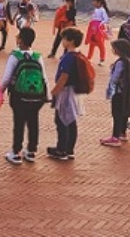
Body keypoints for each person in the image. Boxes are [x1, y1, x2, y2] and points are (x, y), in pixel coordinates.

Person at [1, 26, 47, 164]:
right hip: (36, 97)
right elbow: (44, 77)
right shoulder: (38, 56)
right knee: (33, 122)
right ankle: (31, 151)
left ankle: (16, 152)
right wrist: (46, 95)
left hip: (19, 95)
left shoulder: (15, 56)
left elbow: (6, 78)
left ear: (20, 40)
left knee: (19, 123)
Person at [48, 27, 85, 161]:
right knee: (71, 120)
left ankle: (61, 149)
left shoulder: (68, 58)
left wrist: (54, 92)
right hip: (74, 91)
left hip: (65, 92)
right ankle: (69, 149)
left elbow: (63, 77)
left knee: (62, 120)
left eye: (64, 39)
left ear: (71, 41)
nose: (62, 41)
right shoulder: (78, 56)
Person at [100, 39, 130, 147]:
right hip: (126, 92)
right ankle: (122, 133)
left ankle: (115, 137)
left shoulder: (120, 62)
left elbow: (115, 78)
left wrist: (110, 89)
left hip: (118, 92)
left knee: (117, 114)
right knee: (123, 113)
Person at [86, 0, 110, 66]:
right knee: (91, 44)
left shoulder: (102, 10)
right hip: (93, 28)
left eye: (94, 1)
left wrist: (100, 25)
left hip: (99, 29)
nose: (93, 2)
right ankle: (89, 58)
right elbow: (93, 18)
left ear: (99, 2)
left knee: (100, 45)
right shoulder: (96, 10)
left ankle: (102, 59)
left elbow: (106, 19)